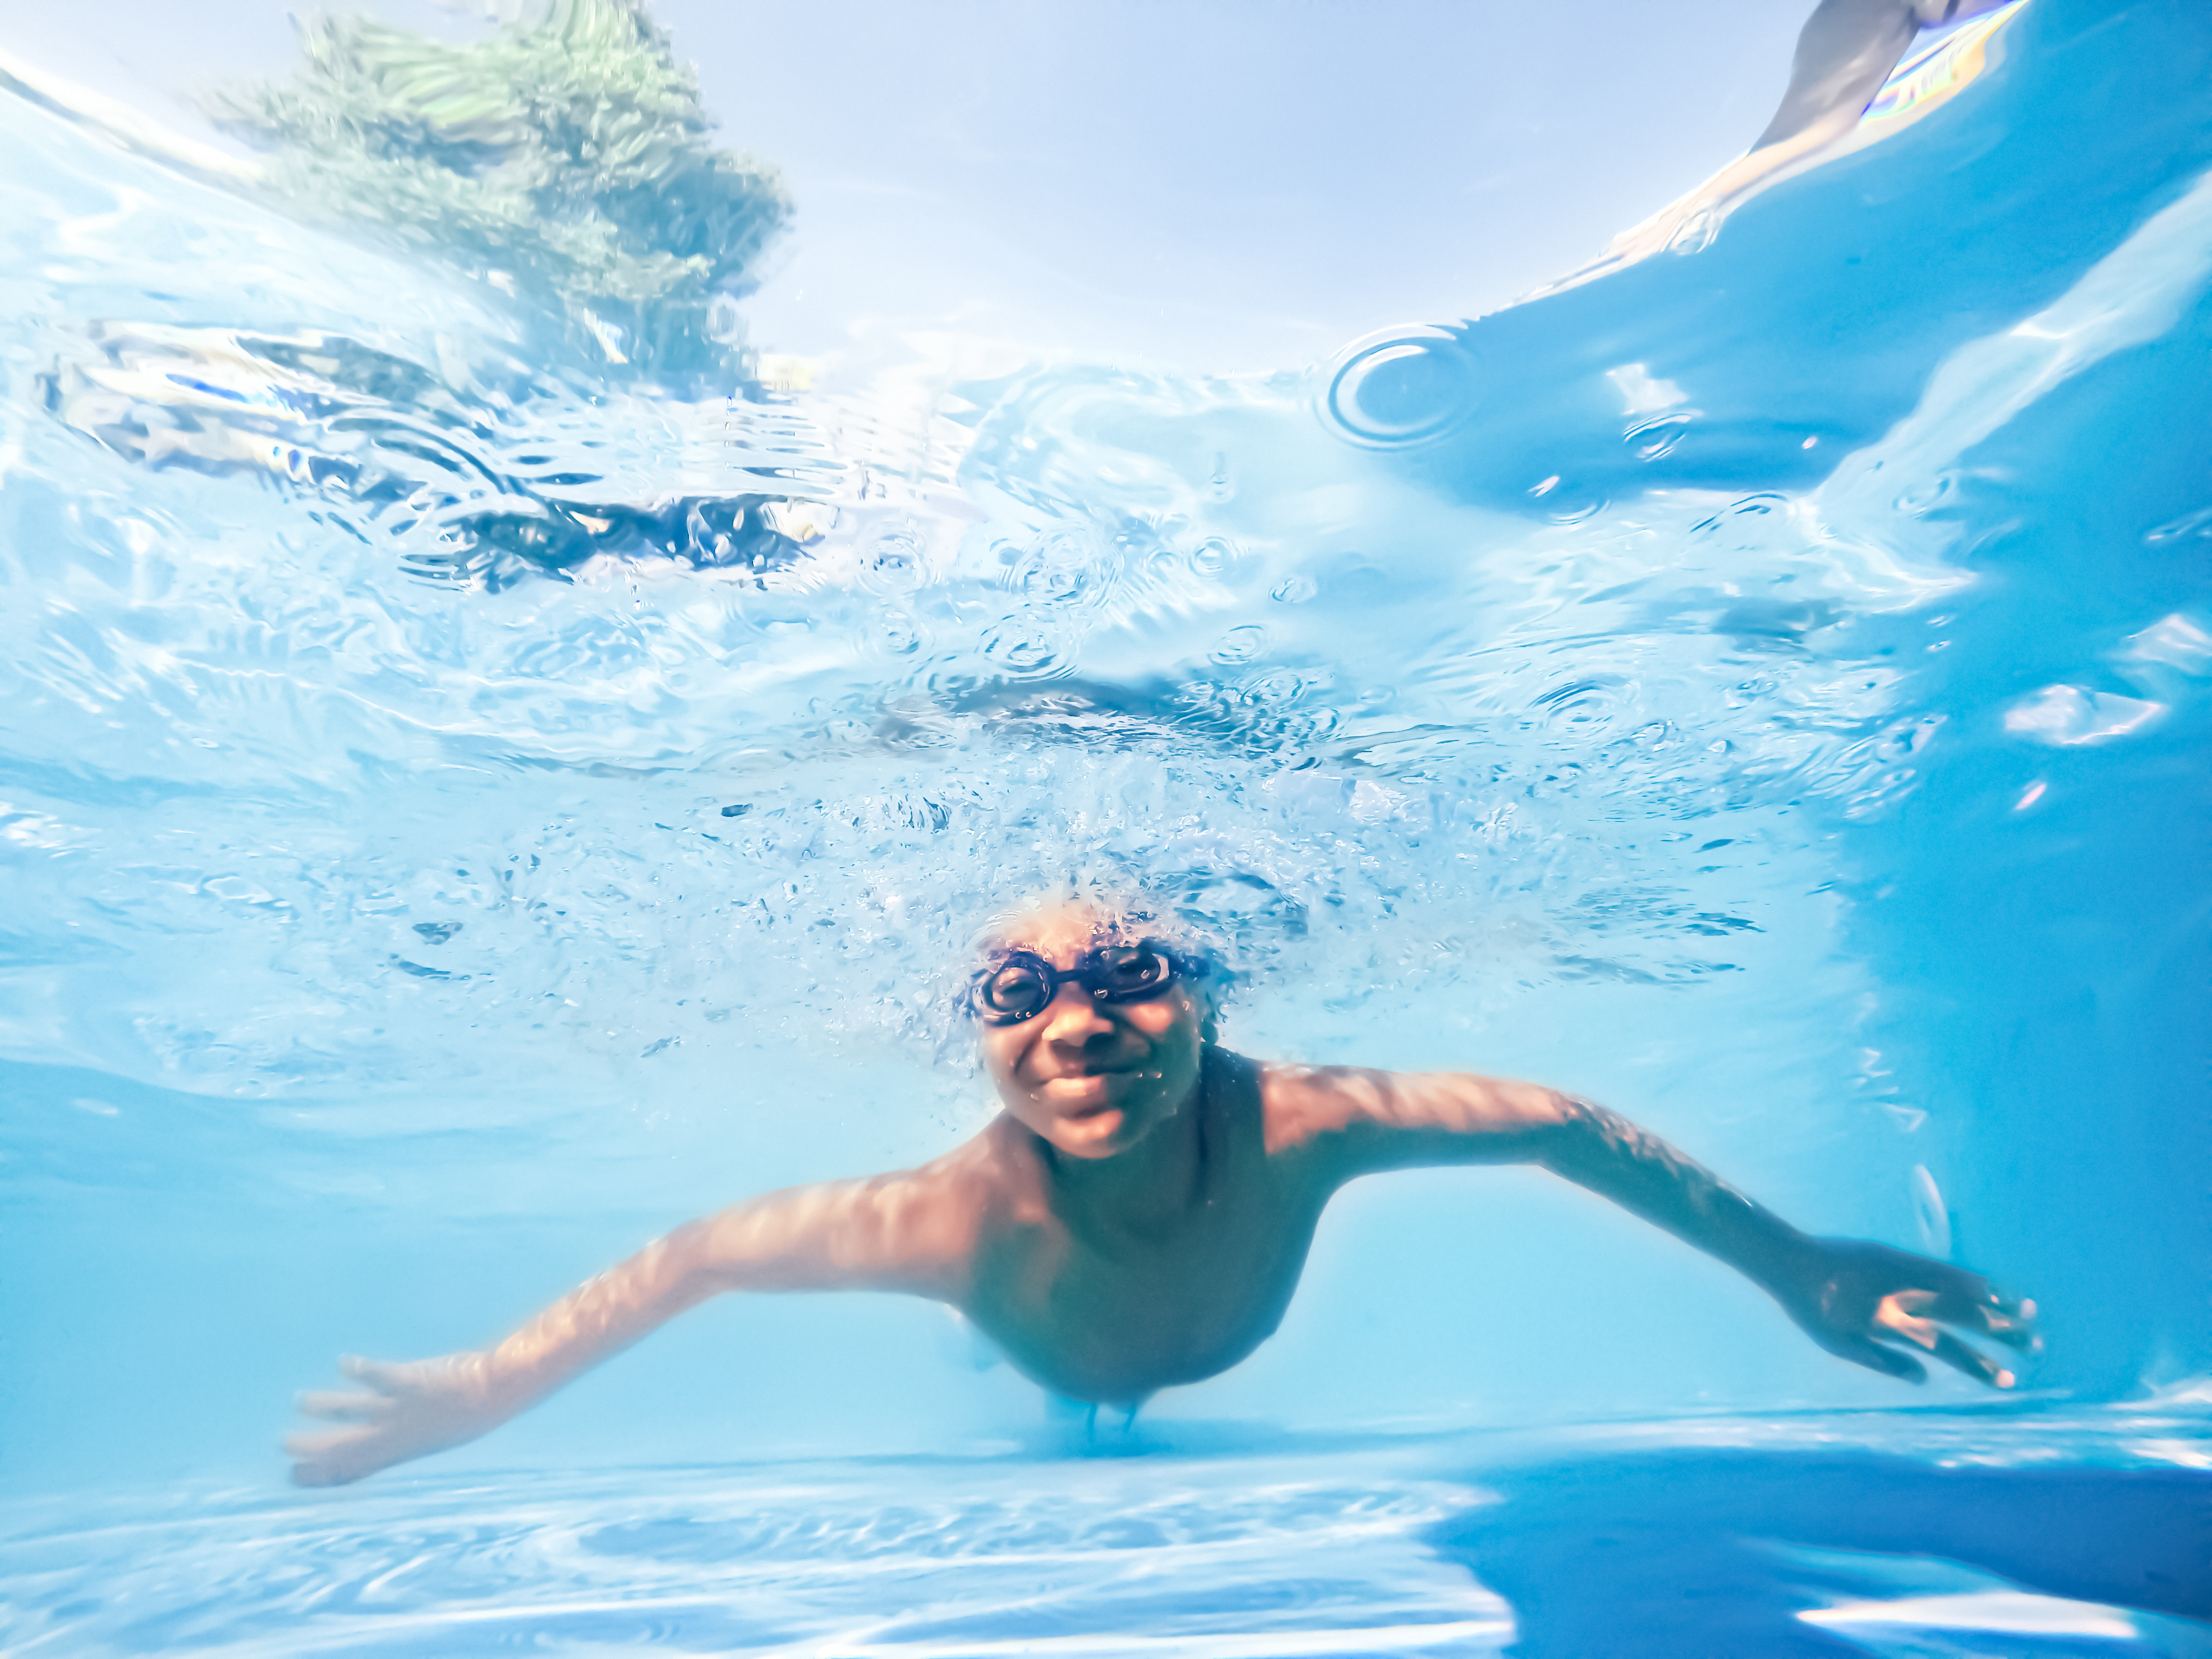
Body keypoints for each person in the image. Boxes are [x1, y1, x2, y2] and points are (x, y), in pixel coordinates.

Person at [286, 895, 2039, 1487]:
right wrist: (483, 1389)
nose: (1080, 1024)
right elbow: (689, 1261)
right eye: (1017, 993)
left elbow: (1564, 1124)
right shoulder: (942, 1223)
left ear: (1207, 997)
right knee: (1051, 1385)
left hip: (1156, 1326)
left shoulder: (1306, 1125)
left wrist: (1799, 1265)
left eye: (1129, 973)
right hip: (1052, 1336)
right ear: (973, 1042)